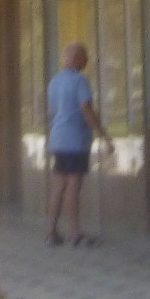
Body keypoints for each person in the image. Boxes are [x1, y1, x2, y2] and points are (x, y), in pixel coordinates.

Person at [45, 42, 112, 246]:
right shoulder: (79, 81)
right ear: (76, 59)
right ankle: (75, 234)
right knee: (73, 186)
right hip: (75, 140)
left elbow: (51, 112)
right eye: (84, 57)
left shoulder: (54, 82)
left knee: (58, 187)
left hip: (58, 138)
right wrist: (103, 135)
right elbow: (86, 108)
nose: (87, 61)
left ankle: (51, 233)